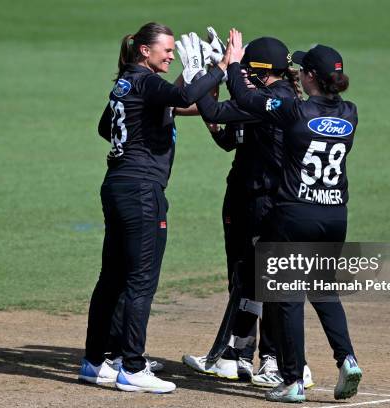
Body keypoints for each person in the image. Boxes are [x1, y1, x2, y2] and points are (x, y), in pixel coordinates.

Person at [78, 22, 230, 394]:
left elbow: (106, 127)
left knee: (111, 278)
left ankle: (95, 362)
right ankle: (132, 366)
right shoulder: (145, 83)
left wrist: (156, 114)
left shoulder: (128, 83)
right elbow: (182, 96)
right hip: (142, 192)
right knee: (140, 282)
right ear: (145, 51)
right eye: (166, 49)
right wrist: (221, 69)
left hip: (116, 186)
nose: (171, 54)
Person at [226, 30, 362, 403]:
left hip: (294, 213)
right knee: (324, 291)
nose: (296, 73)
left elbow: (247, 98)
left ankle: (293, 381)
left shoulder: (295, 111)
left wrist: (234, 63)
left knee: (285, 298)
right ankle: (346, 358)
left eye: (302, 69)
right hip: (336, 216)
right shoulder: (350, 113)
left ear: (312, 78)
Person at [180, 37, 314, 390]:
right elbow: (229, 137)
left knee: (263, 281)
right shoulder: (266, 100)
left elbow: (215, 108)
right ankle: (240, 355)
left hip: (264, 202)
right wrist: (217, 82)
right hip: (248, 197)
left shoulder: (273, 101)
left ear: (257, 73)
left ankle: (273, 359)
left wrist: (206, 74)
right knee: (247, 280)